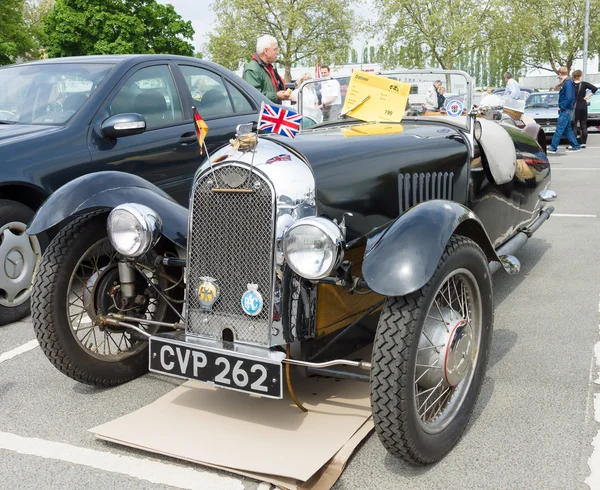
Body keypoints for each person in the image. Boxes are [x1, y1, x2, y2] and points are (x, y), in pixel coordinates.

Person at [242, 34, 290, 104]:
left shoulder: (268, 67)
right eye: (275, 49)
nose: (278, 52)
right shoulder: (252, 70)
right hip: (262, 113)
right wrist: (276, 96)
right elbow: (253, 96)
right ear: (265, 51)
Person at [547, 66, 580, 153]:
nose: (558, 76)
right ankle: (576, 146)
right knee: (567, 129)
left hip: (565, 110)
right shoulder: (569, 82)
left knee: (560, 128)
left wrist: (562, 106)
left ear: (560, 74)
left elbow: (569, 97)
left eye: (558, 74)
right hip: (567, 109)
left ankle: (553, 147)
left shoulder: (567, 83)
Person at [570, 69, 597, 149]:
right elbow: (595, 89)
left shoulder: (570, 84)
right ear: (580, 76)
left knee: (574, 125)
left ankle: (574, 143)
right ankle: (583, 143)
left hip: (574, 105)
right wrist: (588, 96)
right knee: (583, 125)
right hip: (582, 104)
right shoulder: (584, 84)